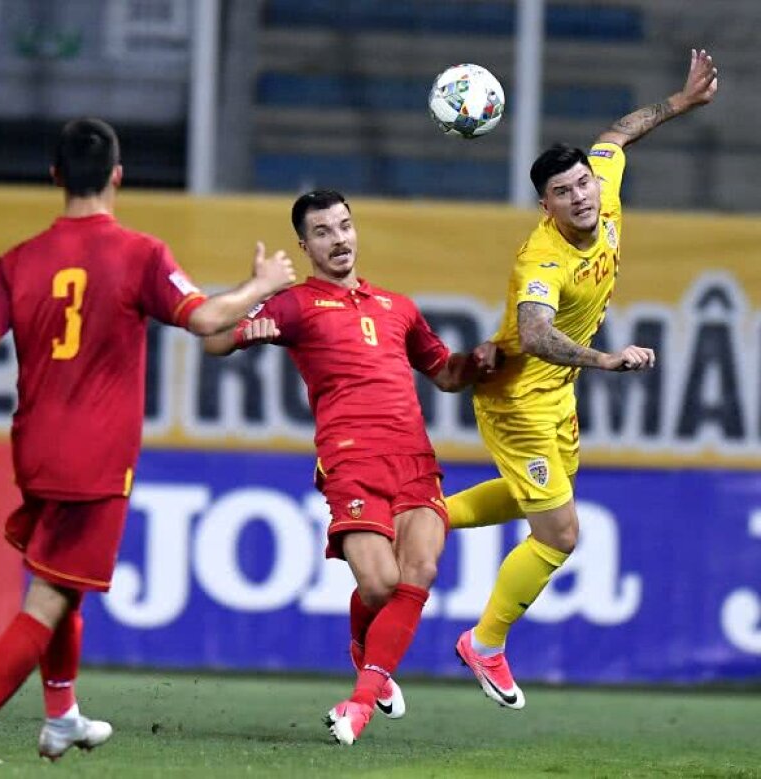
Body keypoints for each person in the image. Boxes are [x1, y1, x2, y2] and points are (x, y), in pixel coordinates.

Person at [0, 117, 296, 764]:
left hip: (35, 452)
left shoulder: (17, 261)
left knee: (61, 579)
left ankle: (62, 717)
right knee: (49, 596)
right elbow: (208, 319)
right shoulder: (140, 254)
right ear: (117, 174)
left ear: (54, 176)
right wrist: (263, 286)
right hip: (97, 460)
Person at [446, 49, 719, 709]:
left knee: (535, 498)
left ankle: (417, 514)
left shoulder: (604, 182)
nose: (581, 196)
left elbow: (615, 136)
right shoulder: (544, 257)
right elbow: (537, 332)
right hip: (516, 396)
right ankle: (484, 642)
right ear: (546, 204)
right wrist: (607, 360)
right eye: (564, 193)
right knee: (561, 532)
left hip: (553, 393)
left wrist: (679, 104)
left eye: (583, 185)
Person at [203, 189, 497, 745]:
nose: (338, 239)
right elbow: (214, 338)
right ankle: (367, 650)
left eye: (344, 226)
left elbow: (446, 374)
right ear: (305, 244)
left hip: (414, 457)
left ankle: (360, 700)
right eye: (323, 232)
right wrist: (254, 296)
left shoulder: (398, 307)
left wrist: (479, 362)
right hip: (351, 461)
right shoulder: (293, 305)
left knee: (422, 573)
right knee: (383, 585)